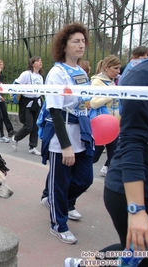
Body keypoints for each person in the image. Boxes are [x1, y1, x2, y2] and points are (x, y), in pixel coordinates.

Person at [65, 3, 148, 266]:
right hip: (136, 181)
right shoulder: (144, 75)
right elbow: (131, 140)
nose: (118, 72)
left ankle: (86, 263)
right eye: (76, 41)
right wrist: (137, 208)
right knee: (147, 257)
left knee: (144, 253)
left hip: (145, 166)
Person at [40, 23, 93, 244]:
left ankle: (59, 201)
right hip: (61, 135)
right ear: (64, 45)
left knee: (85, 178)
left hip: (82, 131)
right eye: (75, 41)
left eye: (83, 41)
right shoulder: (56, 73)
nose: (81, 45)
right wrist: (65, 146)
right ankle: (58, 224)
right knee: (60, 182)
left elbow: (84, 101)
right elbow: (55, 110)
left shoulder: (81, 71)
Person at [89, 55, 121, 177]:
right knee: (94, 157)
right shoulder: (97, 82)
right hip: (101, 126)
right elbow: (93, 103)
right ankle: (76, 176)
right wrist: (111, 93)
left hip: (114, 125)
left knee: (114, 156)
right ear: (106, 68)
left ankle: (112, 186)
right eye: (116, 68)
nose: (118, 71)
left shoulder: (112, 82)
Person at [11, 56, 43, 156]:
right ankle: (15, 138)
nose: (40, 62)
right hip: (27, 102)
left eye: (41, 61)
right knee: (28, 126)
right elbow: (17, 83)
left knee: (35, 126)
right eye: (38, 61)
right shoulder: (26, 74)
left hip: (37, 102)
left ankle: (32, 146)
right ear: (33, 64)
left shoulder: (40, 77)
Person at [0, 59, 16, 137]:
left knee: (4, 113)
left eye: (2, 64)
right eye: (0, 64)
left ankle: (10, 130)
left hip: (0, 97)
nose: (2, 66)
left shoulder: (1, 75)